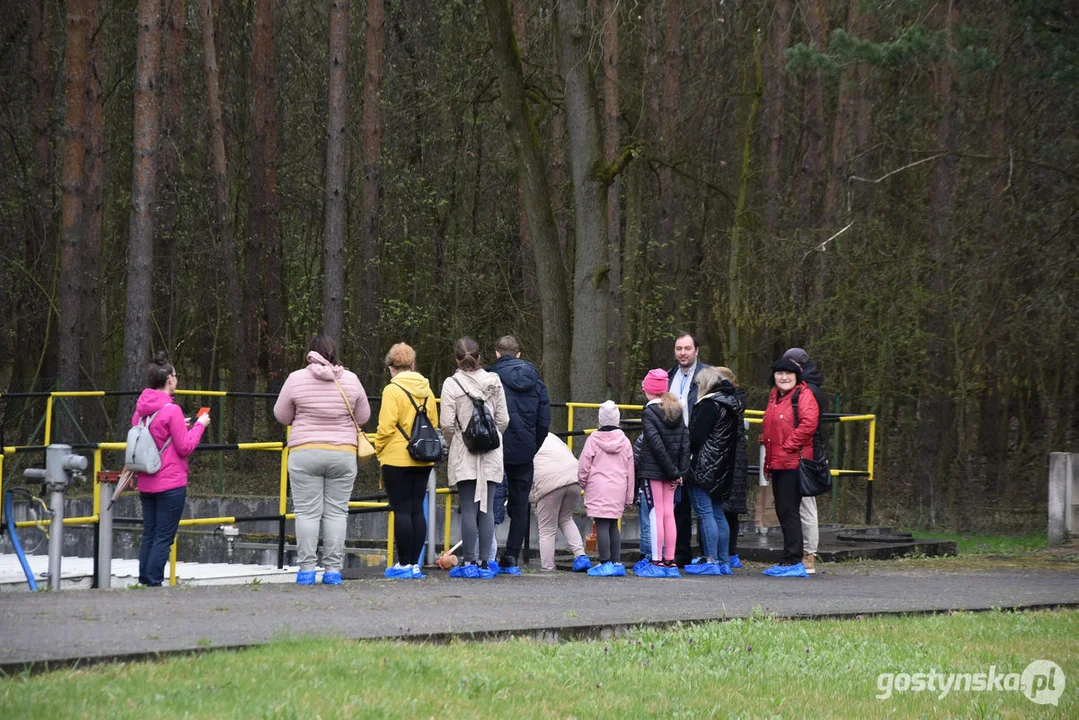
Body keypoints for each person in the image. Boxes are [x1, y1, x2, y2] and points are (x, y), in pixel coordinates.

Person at [274, 335, 371, 586]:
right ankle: (332, 571)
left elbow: (282, 415)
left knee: (307, 512)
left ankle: (306, 570)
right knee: (337, 512)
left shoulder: (296, 378)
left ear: (310, 353)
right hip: (343, 453)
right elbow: (363, 416)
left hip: (305, 452)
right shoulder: (351, 380)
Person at [132, 352, 211, 587]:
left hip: (146, 481)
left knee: (150, 533)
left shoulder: (140, 411)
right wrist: (199, 425)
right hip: (170, 483)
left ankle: (144, 580)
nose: (177, 379)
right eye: (176, 375)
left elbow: (154, 435)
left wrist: (182, 424)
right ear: (169, 380)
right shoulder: (171, 410)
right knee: (164, 537)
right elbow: (185, 447)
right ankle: (154, 582)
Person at [440, 337, 510, 578]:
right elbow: (503, 419)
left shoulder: (451, 384)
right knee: (487, 508)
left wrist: (458, 441)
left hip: (464, 452)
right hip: (491, 452)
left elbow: (447, 424)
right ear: (480, 358)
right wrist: (490, 437)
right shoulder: (494, 381)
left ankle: (468, 563)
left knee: (468, 508)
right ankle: (484, 563)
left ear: (457, 360)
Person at [374, 342, 439, 580]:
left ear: (391, 367)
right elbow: (433, 422)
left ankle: (403, 563)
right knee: (416, 510)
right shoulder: (427, 390)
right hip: (423, 457)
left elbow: (385, 427)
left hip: (396, 457)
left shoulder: (391, 391)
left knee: (401, 510)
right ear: (413, 365)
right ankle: (414, 564)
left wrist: (378, 449)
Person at [488, 335, 551, 574]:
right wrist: (532, 444)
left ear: (497, 354)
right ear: (518, 353)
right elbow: (544, 419)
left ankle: (486, 554)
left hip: (495, 447)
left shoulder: (491, 379)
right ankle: (512, 555)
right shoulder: (536, 382)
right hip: (524, 450)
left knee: (488, 496)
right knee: (520, 501)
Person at [760, 356, 819, 578]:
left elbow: (809, 424)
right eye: (779, 373)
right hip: (777, 462)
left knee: (789, 511)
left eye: (788, 374)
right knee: (784, 511)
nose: (783, 377)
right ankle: (790, 558)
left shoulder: (803, 395)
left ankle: (792, 560)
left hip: (793, 462)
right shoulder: (774, 397)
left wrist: (788, 444)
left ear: (797, 376)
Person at [634, 369, 690, 578]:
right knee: (669, 514)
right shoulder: (678, 409)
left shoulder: (649, 413)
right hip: (673, 473)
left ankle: (656, 561)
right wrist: (680, 472)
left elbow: (655, 445)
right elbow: (686, 442)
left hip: (655, 470)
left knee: (656, 513)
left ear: (648, 389)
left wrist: (671, 471)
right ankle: (670, 561)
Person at [684, 367, 739, 576]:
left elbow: (696, 438)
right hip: (722, 467)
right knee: (718, 514)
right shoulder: (730, 405)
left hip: (703, 466)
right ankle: (723, 561)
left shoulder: (708, 405)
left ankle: (711, 559)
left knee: (705, 514)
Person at [667, 333, 711, 566]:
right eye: (678, 348)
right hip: (675, 447)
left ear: (696, 350)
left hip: (700, 447)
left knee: (704, 505)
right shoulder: (669, 376)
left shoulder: (707, 376)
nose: (682, 353)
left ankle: (709, 555)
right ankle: (680, 553)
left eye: (687, 348)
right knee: (678, 505)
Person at [577, 401, 635, 577]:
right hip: (618, 487)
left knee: (601, 523)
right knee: (613, 524)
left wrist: (582, 482)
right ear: (618, 420)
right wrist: (629, 497)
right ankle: (617, 561)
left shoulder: (593, 439)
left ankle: (604, 561)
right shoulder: (625, 441)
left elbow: (584, 465)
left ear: (600, 420)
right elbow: (630, 470)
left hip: (598, 486)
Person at [783, 347, 824, 574]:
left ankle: (809, 553)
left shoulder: (808, 391)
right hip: (800, 451)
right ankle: (801, 552)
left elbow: (809, 425)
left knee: (806, 504)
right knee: (796, 505)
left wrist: (789, 444)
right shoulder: (807, 387)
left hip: (804, 452)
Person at [530, 433, 589, 572]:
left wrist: (534, 503)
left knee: (546, 529)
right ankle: (580, 555)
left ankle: (548, 567)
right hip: (573, 477)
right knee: (566, 518)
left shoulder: (526, 438)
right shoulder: (552, 436)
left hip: (549, 482)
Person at [715, 367, 749, 569]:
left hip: (726, 458)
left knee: (718, 510)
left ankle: (722, 552)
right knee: (730, 512)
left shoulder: (722, 403)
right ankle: (730, 552)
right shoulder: (738, 402)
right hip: (736, 459)